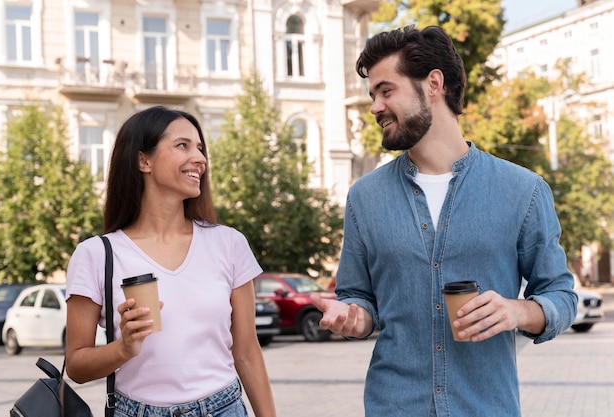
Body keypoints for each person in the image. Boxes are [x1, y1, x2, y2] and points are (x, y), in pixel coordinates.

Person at [310, 25, 577, 417]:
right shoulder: (364, 198)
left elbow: (561, 296)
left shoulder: (523, 190)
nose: (375, 107)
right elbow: (358, 297)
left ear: (433, 84)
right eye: (373, 95)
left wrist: (516, 311)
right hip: (393, 406)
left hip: (486, 407)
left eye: (386, 90)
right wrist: (354, 316)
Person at [65, 106, 277, 417]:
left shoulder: (229, 243)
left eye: (200, 148)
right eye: (183, 145)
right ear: (143, 160)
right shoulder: (96, 255)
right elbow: (77, 366)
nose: (200, 159)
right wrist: (123, 348)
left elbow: (247, 352)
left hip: (224, 408)